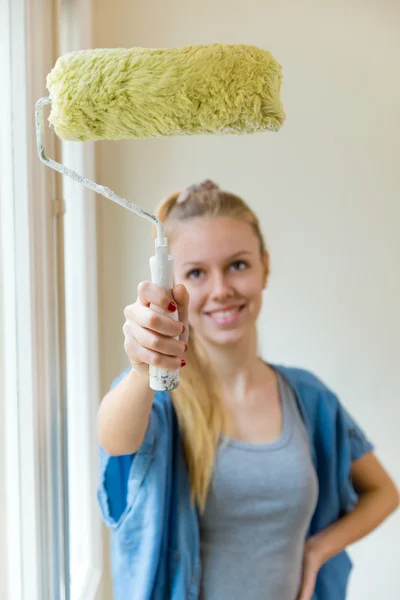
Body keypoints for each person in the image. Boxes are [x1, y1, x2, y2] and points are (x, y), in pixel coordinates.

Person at [97, 180, 399, 600]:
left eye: (237, 265)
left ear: (265, 268)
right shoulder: (160, 396)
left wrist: (316, 550)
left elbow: (384, 493)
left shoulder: (308, 398)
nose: (221, 289)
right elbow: (115, 439)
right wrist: (141, 367)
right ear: (172, 286)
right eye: (196, 273)